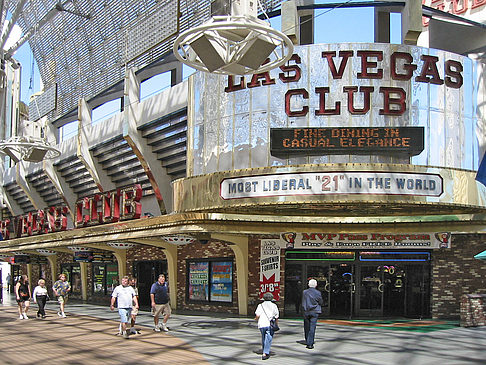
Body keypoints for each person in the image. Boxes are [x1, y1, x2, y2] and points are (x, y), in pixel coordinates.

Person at [254, 292, 279, 360]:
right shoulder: (274, 306)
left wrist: (255, 319)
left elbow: (257, 315)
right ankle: (265, 353)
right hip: (269, 324)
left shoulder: (260, 305)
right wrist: (276, 324)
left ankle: (264, 349)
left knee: (264, 337)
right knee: (269, 338)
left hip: (261, 324)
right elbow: (276, 316)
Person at [302, 279, 323, 349]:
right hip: (315, 311)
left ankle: (307, 339)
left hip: (306, 310)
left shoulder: (304, 292)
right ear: (316, 285)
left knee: (306, 326)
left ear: (308, 285)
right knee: (312, 327)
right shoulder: (318, 293)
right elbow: (320, 301)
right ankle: (310, 343)